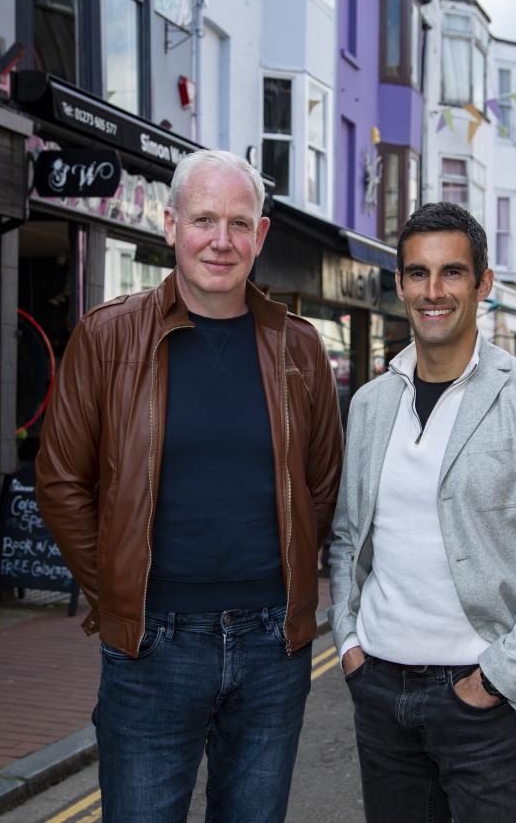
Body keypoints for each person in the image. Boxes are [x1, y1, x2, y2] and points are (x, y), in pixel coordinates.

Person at [35, 149, 343, 822]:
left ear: (261, 236)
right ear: (170, 224)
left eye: (240, 223)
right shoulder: (108, 336)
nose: (221, 240)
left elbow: (322, 484)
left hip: (272, 648)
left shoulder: (300, 348)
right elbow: (60, 483)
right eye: (204, 219)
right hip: (154, 644)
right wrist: (119, 591)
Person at [327, 203, 516, 822]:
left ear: (483, 282)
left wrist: (495, 680)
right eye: (417, 274)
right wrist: (349, 642)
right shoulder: (372, 404)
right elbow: (350, 538)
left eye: (452, 273)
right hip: (379, 688)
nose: (433, 292)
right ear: (400, 284)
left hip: (485, 703)